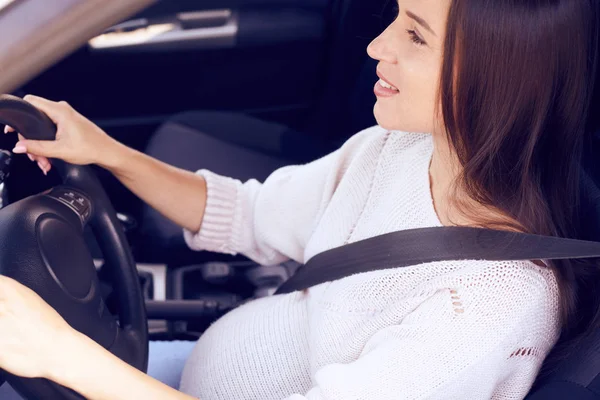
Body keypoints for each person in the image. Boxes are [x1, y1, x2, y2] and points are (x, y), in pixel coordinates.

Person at [0, 0, 598, 398]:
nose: (376, 45)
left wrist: (57, 351)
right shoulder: (402, 149)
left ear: (493, 77)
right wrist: (105, 151)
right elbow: (246, 215)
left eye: (414, 35)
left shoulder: (484, 312)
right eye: (396, 14)